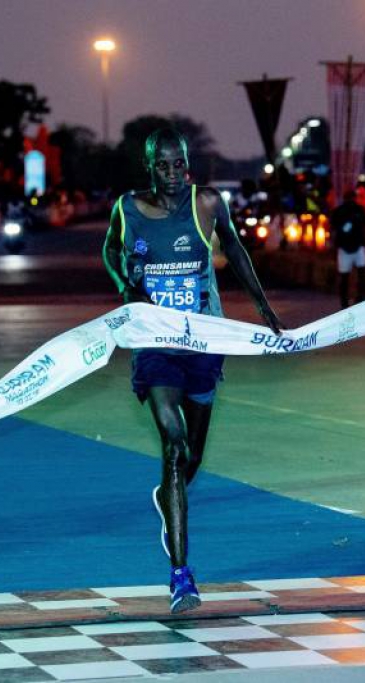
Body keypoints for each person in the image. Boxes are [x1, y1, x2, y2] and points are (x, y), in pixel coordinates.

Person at [102, 128, 283, 612]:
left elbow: (238, 252)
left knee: (191, 460)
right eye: (162, 166)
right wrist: (128, 287)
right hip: (154, 343)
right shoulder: (129, 208)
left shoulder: (207, 204)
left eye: (178, 164)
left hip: (204, 342)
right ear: (149, 168)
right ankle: (181, 576)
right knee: (174, 443)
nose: (172, 175)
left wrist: (263, 307)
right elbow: (112, 251)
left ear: (188, 162)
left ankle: (167, 496)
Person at [330, 189, 365, 308]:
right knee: (359, 274)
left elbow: (334, 228)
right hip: (354, 246)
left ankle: (347, 302)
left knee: (346, 276)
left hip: (347, 247)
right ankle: (358, 298)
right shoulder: (359, 210)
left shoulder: (340, 211)